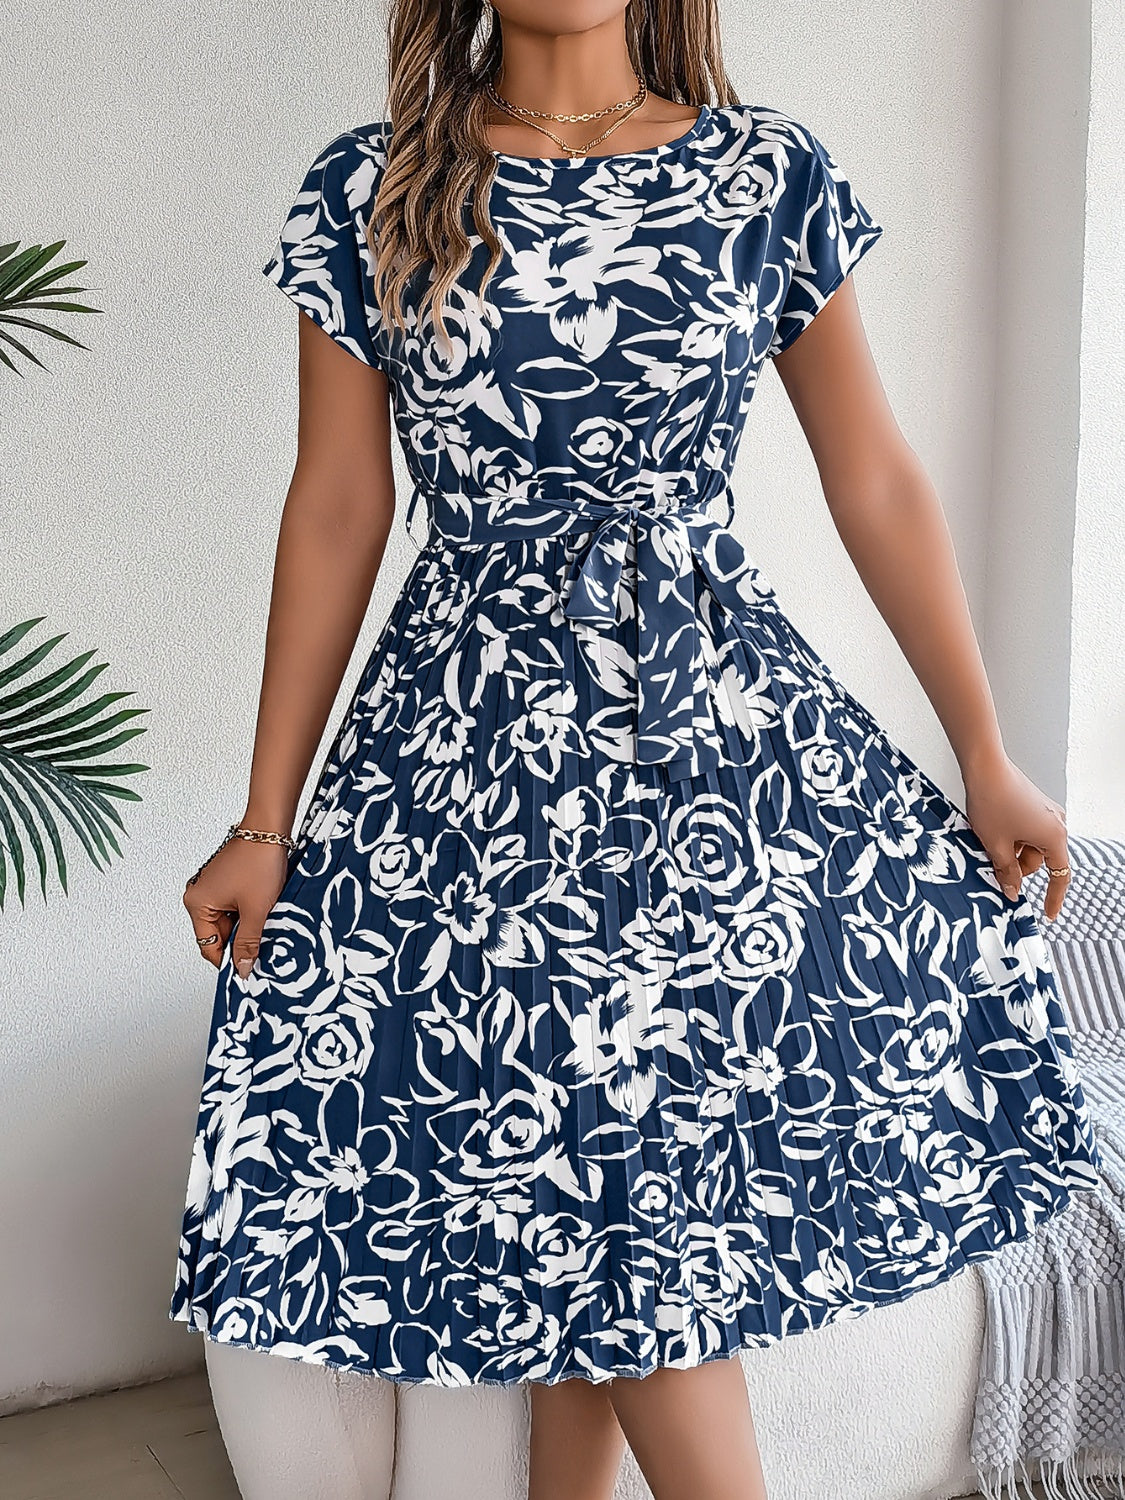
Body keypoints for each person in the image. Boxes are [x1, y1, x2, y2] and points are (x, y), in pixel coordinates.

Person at [172, 2, 1103, 1496]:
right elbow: (338, 506)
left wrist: (982, 749)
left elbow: (870, 478)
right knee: (599, 1187)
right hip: (464, 771)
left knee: (619, 1194)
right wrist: (266, 819)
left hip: (708, 753)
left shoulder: (764, 173)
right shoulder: (370, 184)